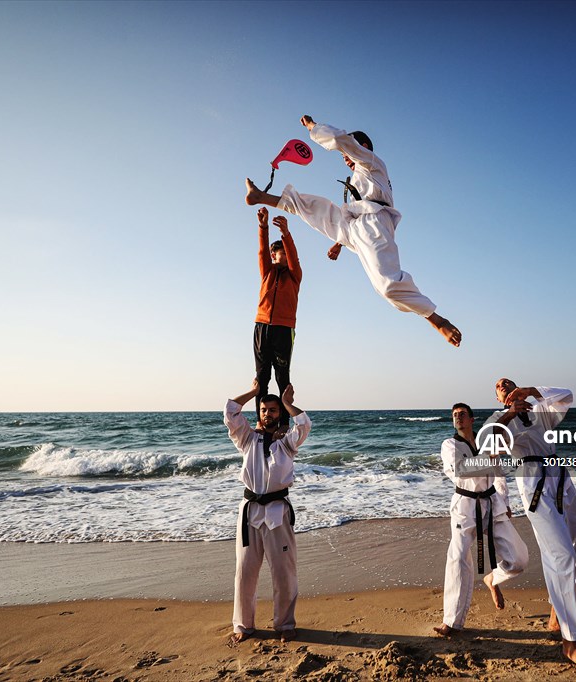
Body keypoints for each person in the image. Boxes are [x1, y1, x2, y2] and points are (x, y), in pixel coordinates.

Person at [244, 115, 461, 347]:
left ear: (363, 147)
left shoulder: (372, 163)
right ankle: (261, 197)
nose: (345, 158)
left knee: (387, 286)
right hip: (353, 225)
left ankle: (436, 319)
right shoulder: (357, 177)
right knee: (316, 208)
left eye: (347, 154)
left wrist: (313, 128)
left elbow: (341, 140)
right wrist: (340, 241)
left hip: (374, 223)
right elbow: (350, 211)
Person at [486, 378, 576, 673]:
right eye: (500, 386)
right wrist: (511, 412)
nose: (505, 385)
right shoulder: (499, 419)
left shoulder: (539, 410)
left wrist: (532, 392)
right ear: (498, 397)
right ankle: (570, 640)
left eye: (510, 382)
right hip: (532, 480)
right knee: (561, 554)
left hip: (560, 477)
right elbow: (489, 445)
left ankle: (556, 612)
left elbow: (567, 394)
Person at [224, 380, 311, 645]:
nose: (267, 414)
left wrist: (287, 403)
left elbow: (304, 425)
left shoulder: (287, 444)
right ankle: (243, 625)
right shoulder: (247, 438)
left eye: (273, 410)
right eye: (263, 410)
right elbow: (230, 412)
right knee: (245, 571)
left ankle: (284, 624)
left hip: (277, 512)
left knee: (284, 572)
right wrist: (253, 391)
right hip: (249, 514)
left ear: (279, 413)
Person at [434, 402, 528, 637]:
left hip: (492, 502)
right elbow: (459, 469)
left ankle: (492, 579)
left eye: (462, 414)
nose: (458, 417)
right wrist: (489, 455)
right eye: (454, 415)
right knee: (458, 560)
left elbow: (499, 474)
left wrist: (505, 503)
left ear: (472, 419)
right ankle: (452, 621)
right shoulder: (450, 445)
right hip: (465, 506)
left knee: (519, 558)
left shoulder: (487, 443)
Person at [253, 207, 301, 428]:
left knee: (283, 377)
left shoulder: (294, 275)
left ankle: (284, 424)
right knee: (262, 379)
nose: (282, 256)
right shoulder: (267, 272)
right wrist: (263, 226)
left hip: (284, 329)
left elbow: (293, 256)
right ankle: (261, 422)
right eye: (278, 253)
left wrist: (286, 234)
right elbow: (263, 252)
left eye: (284, 253)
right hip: (262, 327)